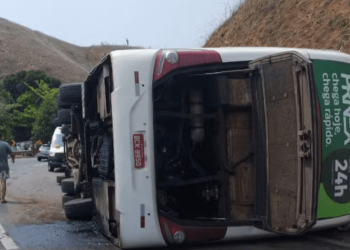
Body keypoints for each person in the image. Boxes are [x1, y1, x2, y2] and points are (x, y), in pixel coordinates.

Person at [0, 131, 15, 203]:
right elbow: (12, 153)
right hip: (3, 166)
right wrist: (13, 159)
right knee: (3, 181)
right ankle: (2, 198)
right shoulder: (5, 144)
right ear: (1, 137)